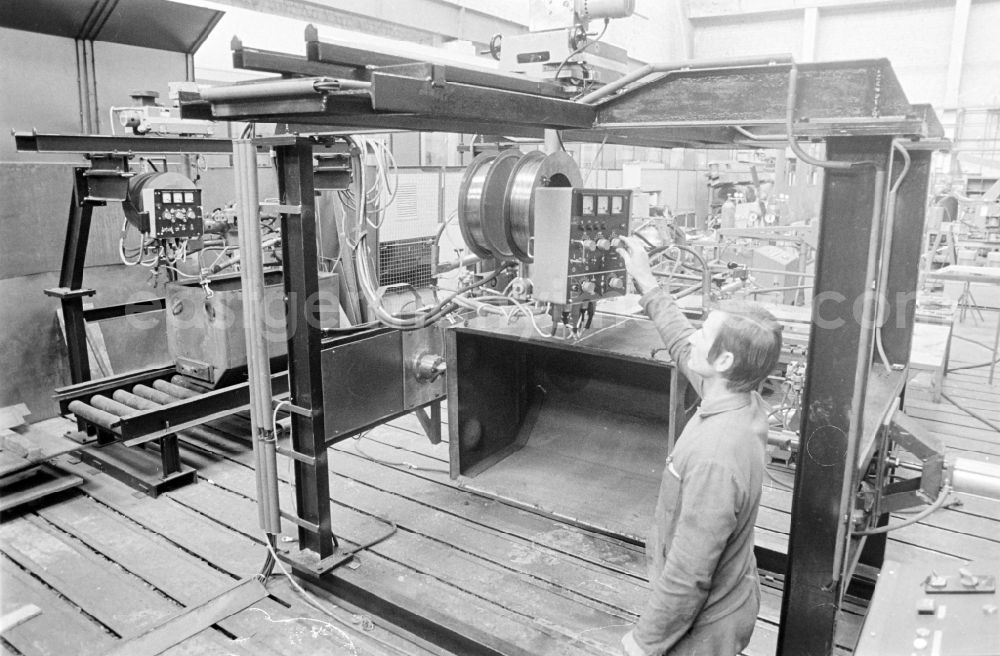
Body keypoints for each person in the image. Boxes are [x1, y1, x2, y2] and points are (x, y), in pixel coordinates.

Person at [616, 236, 783, 656]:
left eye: (704, 335)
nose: (694, 339)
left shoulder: (716, 455)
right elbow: (680, 340)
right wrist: (646, 282)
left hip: (704, 628)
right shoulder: (734, 397)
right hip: (730, 595)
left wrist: (643, 643)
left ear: (725, 362)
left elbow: (689, 574)